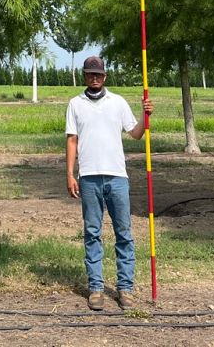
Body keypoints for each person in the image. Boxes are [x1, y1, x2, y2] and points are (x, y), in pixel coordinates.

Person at [65, 55, 154, 311]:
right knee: (92, 233)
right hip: (89, 177)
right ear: (84, 76)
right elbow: (72, 140)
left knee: (123, 234)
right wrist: (70, 174)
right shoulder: (75, 104)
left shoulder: (118, 102)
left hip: (117, 177)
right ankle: (96, 288)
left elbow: (135, 134)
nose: (94, 77)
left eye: (98, 74)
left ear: (105, 76)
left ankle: (125, 288)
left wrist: (145, 117)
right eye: (90, 73)